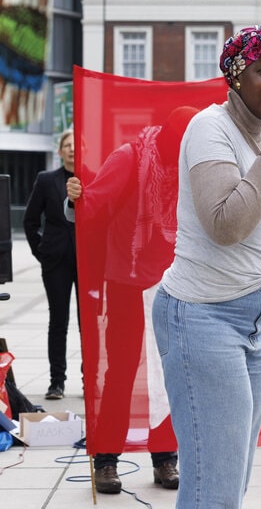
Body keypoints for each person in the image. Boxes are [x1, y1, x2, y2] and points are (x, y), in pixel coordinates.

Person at [151, 24, 261, 508]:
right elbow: (225, 224)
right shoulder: (210, 128)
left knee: (233, 478)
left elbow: (253, 224)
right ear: (236, 75)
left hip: (252, 320)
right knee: (213, 487)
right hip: (203, 317)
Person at [65, 107, 198, 493]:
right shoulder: (130, 157)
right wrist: (74, 198)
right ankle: (106, 459)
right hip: (126, 280)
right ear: (171, 139)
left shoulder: (193, 164)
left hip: (173, 284)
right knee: (120, 372)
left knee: (168, 373)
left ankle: (165, 457)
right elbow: (91, 205)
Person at [23, 129, 78, 401]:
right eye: (66, 145)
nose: (71, 149)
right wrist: (41, 253)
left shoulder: (89, 178)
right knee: (58, 321)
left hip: (85, 260)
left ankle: (88, 379)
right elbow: (30, 222)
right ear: (59, 152)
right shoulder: (46, 180)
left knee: (87, 323)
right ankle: (57, 382)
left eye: (75, 145)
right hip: (55, 261)